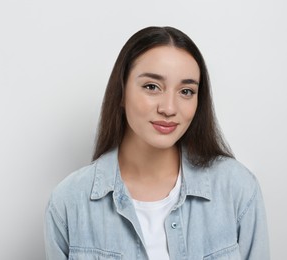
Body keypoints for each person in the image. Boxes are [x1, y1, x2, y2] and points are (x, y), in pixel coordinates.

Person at [44, 26, 270, 260]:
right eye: (152, 87)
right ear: (121, 91)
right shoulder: (69, 203)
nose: (169, 108)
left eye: (186, 91)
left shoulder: (237, 189)